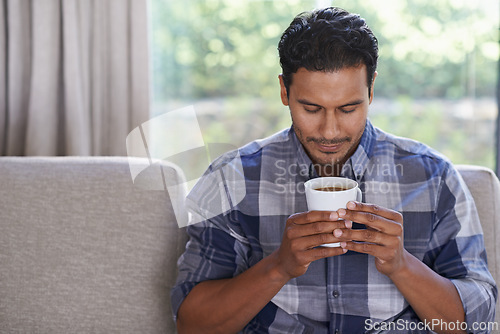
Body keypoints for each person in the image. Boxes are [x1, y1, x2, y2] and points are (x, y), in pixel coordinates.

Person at [171, 7, 497, 334]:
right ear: (285, 91)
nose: (329, 131)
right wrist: (278, 267)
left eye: (348, 108)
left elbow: (478, 322)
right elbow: (191, 325)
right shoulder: (232, 179)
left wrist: (403, 266)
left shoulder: (433, 177)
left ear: (370, 90)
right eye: (311, 108)